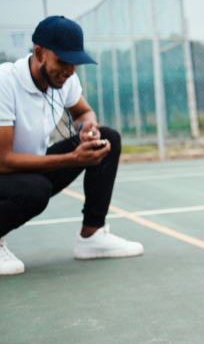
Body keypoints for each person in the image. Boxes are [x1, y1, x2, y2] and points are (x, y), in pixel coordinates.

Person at [0, 16, 143, 275]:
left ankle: (91, 236)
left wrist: (87, 128)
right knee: (36, 189)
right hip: (5, 169)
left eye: (75, 62)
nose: (70, 70)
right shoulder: (5, 83)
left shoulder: (64, 80)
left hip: (28, 169)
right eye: (63, 61)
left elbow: (83, 112)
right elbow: (4, 160)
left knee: (107, 139)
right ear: (39, 53)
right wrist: (72, 159)